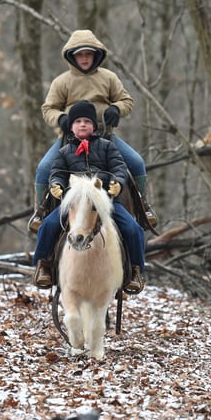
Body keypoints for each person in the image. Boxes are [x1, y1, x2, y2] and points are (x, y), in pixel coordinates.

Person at [28, 29, 157, 233]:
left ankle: (144, 209)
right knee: (44, 167)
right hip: (70, 139)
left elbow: (126, 100)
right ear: (72, 56)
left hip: (104, 137)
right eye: (80, 54)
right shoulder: (62, 81)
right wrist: (60, 118)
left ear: (97, 55)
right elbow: (48, 108)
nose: (85, 58)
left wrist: (117, 109)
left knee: (136, 162)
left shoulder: (108, 78)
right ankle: (40, 212)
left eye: (89, 54)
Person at [32, 100, 145, 294]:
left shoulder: (107, 147)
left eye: (87, 121)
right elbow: (57, 171)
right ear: (71, 127)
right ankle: (44, 266)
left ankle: (136, 271)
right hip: (75, 204)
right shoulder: (64, 152)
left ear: (94, 126)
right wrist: (56, 184)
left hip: (104, 203)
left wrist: (117, 182)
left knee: (133, 228)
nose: (82, 124)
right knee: (49, 225)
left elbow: (119, 167)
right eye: (77, 121)